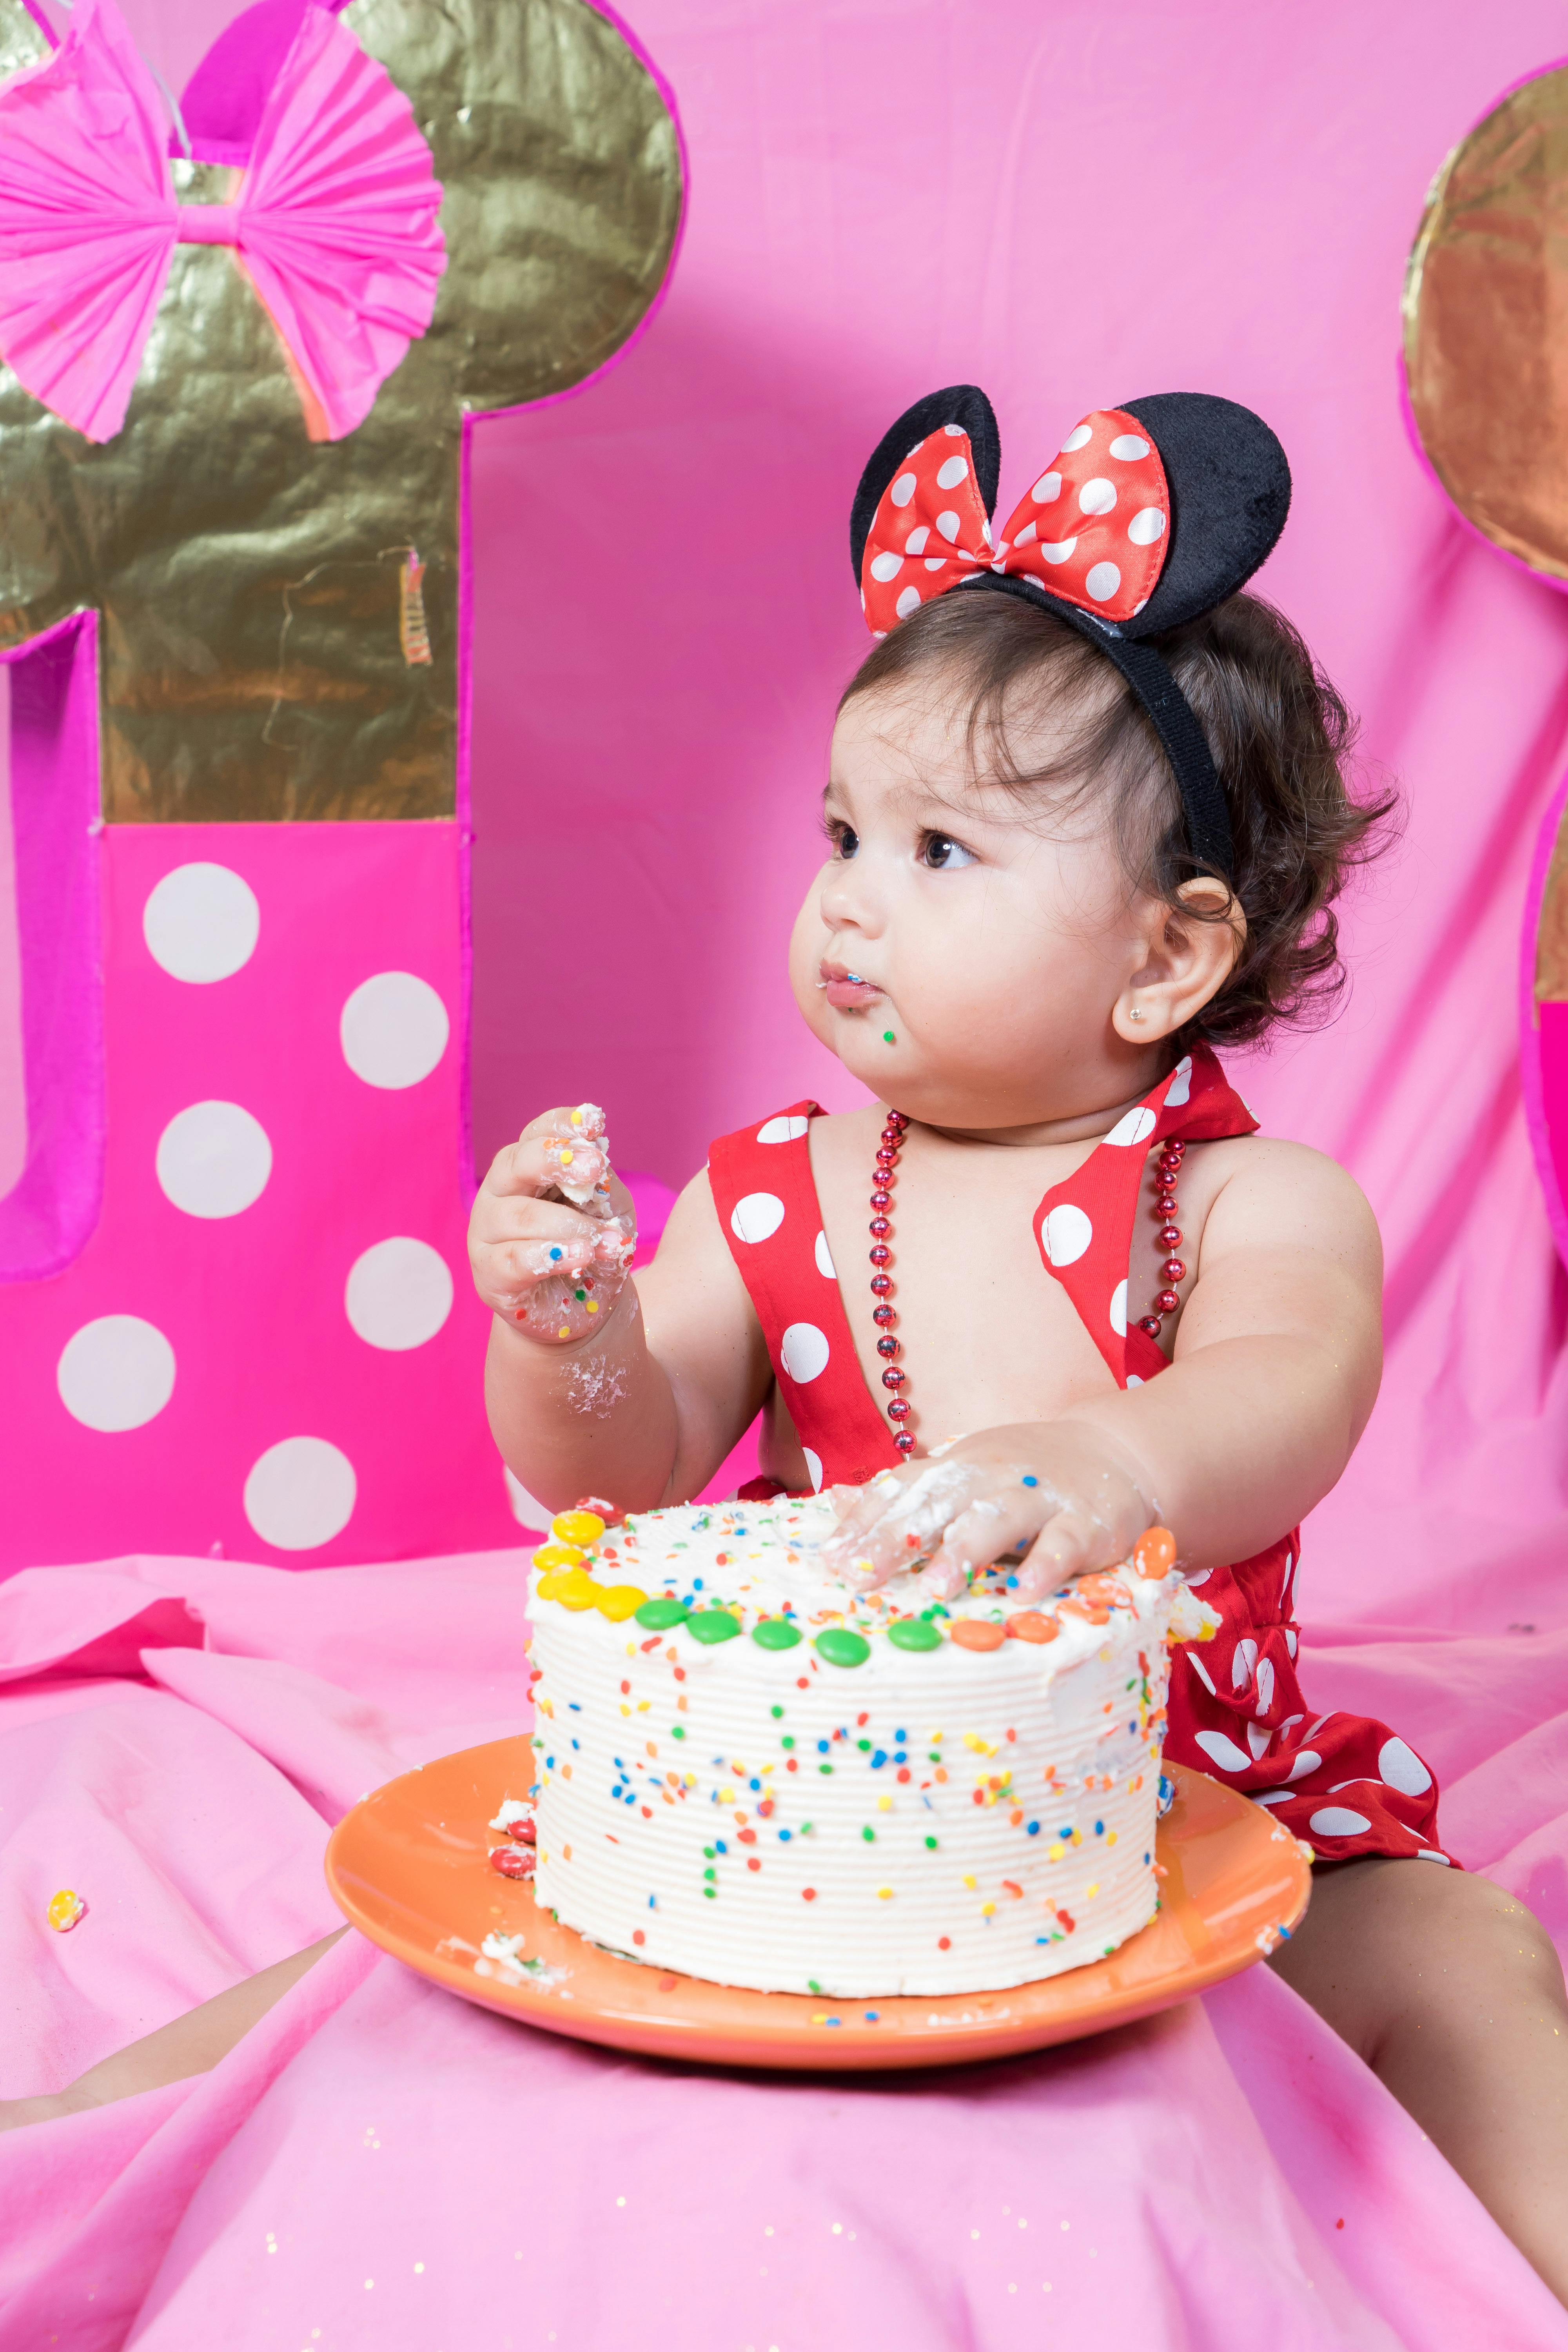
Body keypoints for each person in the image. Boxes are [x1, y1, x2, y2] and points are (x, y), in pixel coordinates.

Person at [11, 386, 1568, 2311]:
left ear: (1165, 957)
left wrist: (1118, 1462)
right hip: (806, 1825)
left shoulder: (1243, 1204)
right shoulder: (781, 1195)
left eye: (940, 854)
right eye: (843, 828)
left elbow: (1292, 1387)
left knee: (1464, 1963)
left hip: (1183, 1816)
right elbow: (614, 1470)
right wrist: (571, 1332)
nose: (845, 897)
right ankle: (78, 2151)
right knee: (414, 1952)